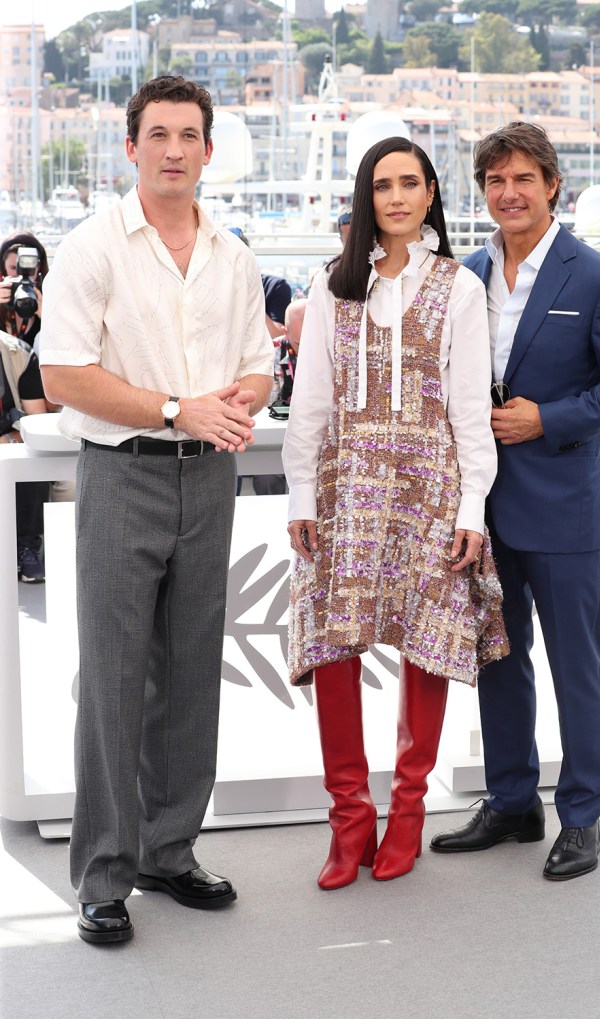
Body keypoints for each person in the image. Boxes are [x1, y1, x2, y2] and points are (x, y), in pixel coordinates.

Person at [39, 75, 273, 943]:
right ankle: (103, 873)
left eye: (189, 135)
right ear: (130, 146)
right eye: (158, 134)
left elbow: (260, 365)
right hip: (123, 473)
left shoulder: (234, 253)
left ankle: (168, 850)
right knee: (111, 676)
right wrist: (181, 407)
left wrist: (236, 398)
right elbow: (62, 374)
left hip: (209, 478)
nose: (174, 149)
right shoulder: (93, 245)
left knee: (188, 673)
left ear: (209, 151)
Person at [430, 122, 600, 879]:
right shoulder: (464, 275)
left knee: (575, 666)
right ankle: (512, 800)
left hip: (563, 506)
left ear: (552, 183)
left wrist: (546, 418)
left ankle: (584, 814)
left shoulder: (598, 279)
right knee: (498, 659)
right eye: (495, 181)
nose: (509, 193)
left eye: (523, 178)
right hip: (484, 507)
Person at [283, 136, 509, 889]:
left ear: (432, 191)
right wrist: (300, 496)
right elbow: (310, 404)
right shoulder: (331, 285)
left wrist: (472, 508)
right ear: (365, 196)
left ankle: (407, 812)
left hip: (429, 492)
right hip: (343, 489)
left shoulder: (459, 286)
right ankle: (349, 821)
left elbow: (471, 412)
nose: (398, 197)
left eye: (411, 183)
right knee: (335, 647)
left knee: (425, 647)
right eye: (383, 185)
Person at [1, 232, 52, 581]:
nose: (20, 283)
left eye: (27, 275)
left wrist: (48, 316)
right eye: (11, 273)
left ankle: (27, 546)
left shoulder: (50, 307)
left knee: (29, 449)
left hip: (28, 408)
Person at [253, 298, 308, 496]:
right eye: (300, 343)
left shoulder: (333, 352)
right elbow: (263, 404)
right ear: (285, 332)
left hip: (313, 440)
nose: (308, 350)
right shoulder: (268, 355)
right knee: (266, 476)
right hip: (276, 439)